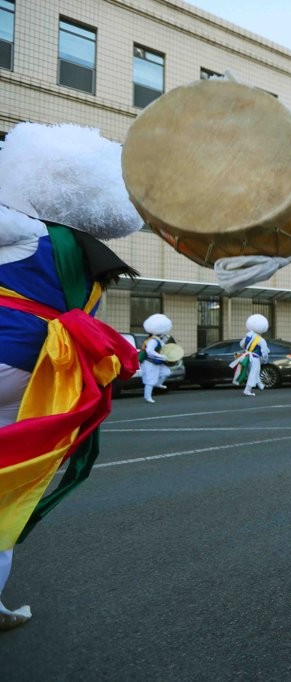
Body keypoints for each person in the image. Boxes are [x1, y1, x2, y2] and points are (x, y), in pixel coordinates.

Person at [0, 122, 142, 629]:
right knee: (10, 487)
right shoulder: (93, 258)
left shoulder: (22, 231)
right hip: (40, 370)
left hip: (5, 354)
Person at [233, 314, 270, 396]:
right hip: (255, 358)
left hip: (247, 357)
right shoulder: (261, 340)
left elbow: (241, 345)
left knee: (252, 372)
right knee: (254, 373)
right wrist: (265, 359)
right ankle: (247, 390)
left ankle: (260, 385)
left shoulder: (247, 336)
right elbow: (264, 352)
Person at [140, 313, 173, 403]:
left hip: (157, 361)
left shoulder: (157, 339)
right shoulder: (153, 340)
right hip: (150, 361)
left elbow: (163, 345)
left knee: (167, 372)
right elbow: (149, 351)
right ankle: (147, 397)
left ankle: (158, 383)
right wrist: (161, 356)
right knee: (150, 380)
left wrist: (166, 338)